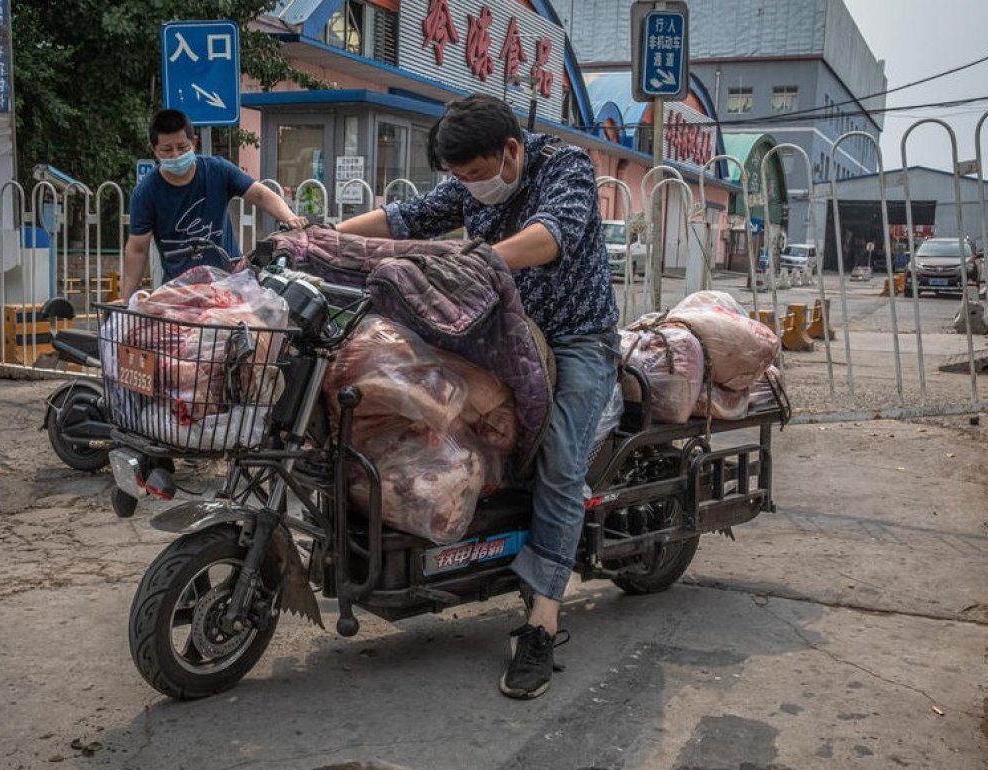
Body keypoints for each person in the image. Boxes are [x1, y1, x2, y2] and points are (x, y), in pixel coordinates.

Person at [336, 94, 619, 700]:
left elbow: (550, 235)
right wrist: (319, 240)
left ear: (511, 152)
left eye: (474, 175)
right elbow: (404, 218)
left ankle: (541, 623)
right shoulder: (471, 185)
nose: (468, 188)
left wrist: (478, 261)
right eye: (459, 179)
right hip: (496, 335)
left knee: (561, 465)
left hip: (575, 340)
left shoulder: (566, 168)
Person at [121, 109, 306, 302]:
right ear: (155, 150)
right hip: (179, 293)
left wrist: (289, 217)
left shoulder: (217, 171)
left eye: (182, 147)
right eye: (167, 150)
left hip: (229, 284)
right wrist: (126, 299)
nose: (175, 155)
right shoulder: (147, 192)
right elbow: (137, 248)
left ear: (194, 142)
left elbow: (259, 194)